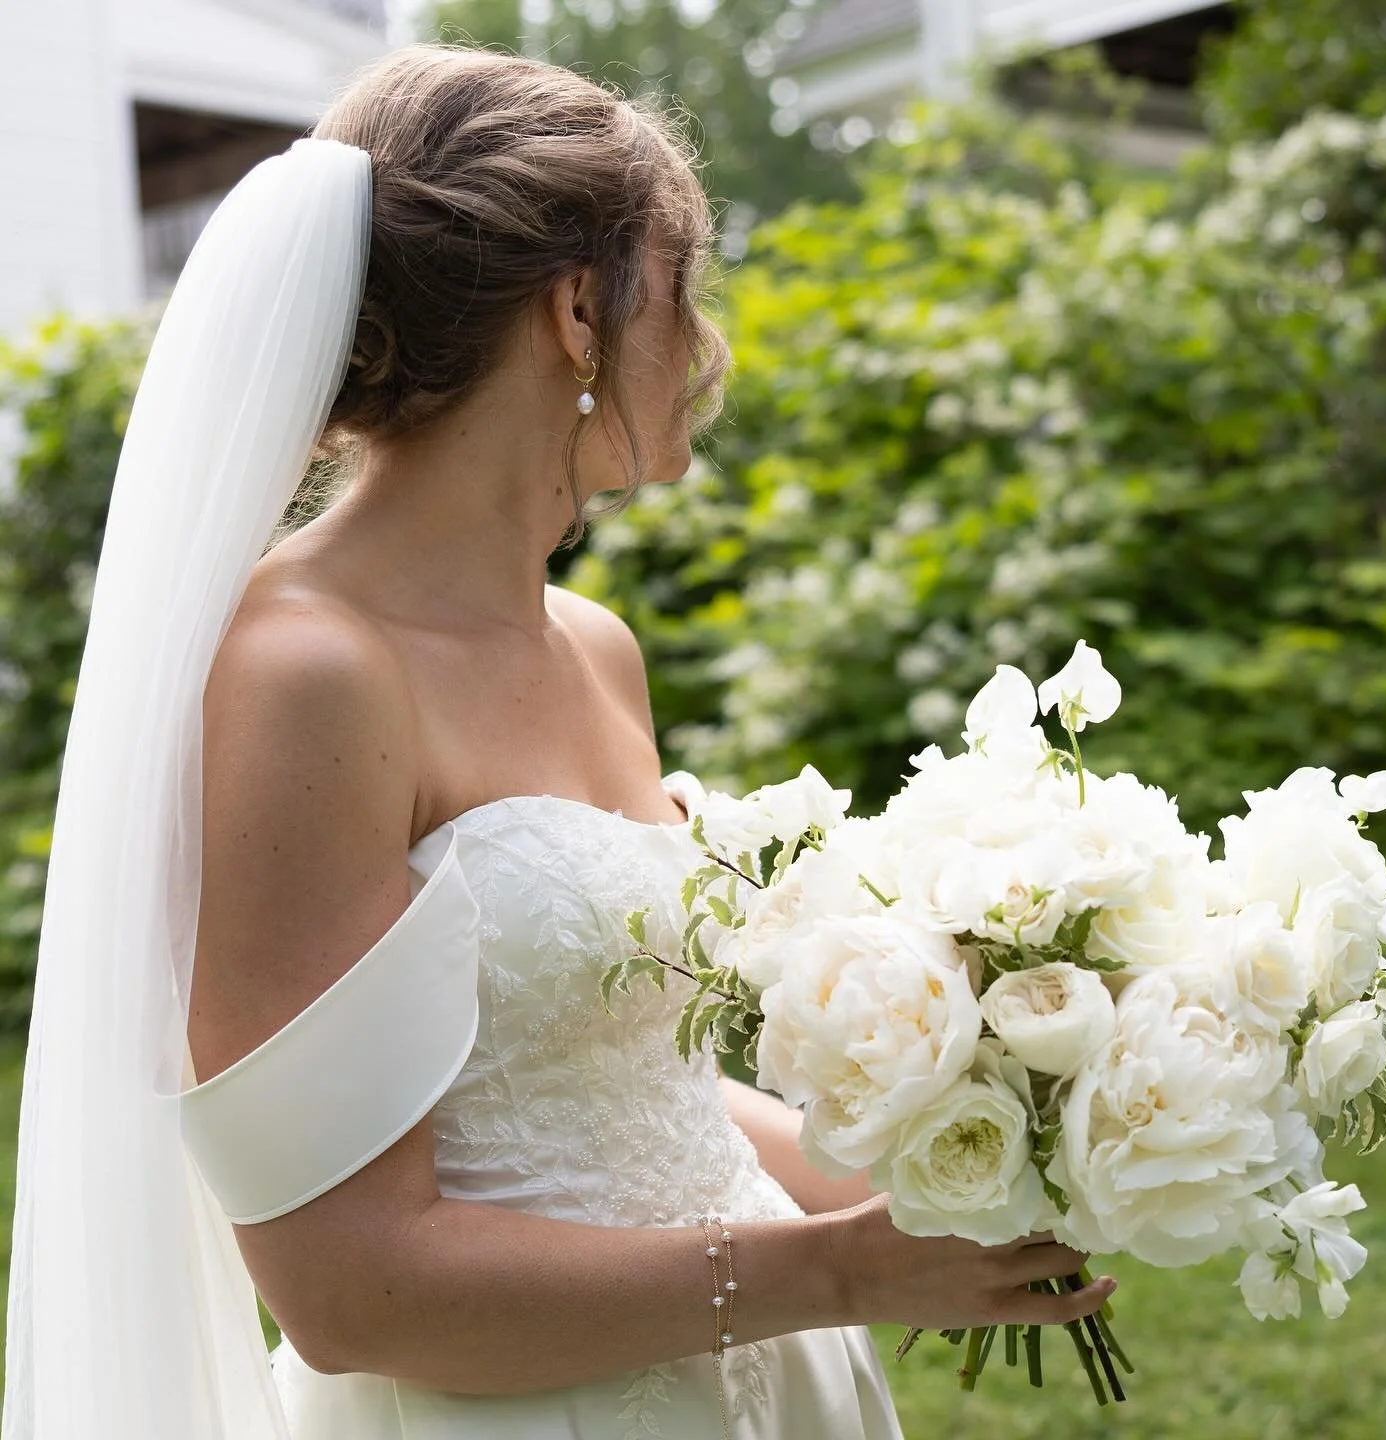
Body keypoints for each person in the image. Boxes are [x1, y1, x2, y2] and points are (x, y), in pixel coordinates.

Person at [2, 44, 1114, 1440]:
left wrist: (969, 1179)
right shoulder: (302, 679)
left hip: (766, 1384)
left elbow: (635, 1091)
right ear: (578, 312)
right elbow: (352, 1291)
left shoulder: (592, 644)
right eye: (682, 288)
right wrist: (831, 1268)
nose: (704, 346)